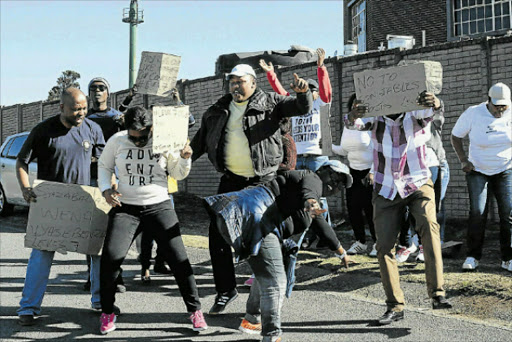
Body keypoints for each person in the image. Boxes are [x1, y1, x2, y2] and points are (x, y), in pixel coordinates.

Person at [190, 64, 312, 315]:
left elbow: (301, 107)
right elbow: (199, 143)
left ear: (253, 83)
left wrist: (303, 93)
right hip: (231, 181)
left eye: (240, 81)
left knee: (264, 237)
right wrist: (179, 160)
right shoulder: (217, 111)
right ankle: (226, 290)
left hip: (263, 182)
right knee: (218, 236)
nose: (235, 86)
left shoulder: (271, 103)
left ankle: (263, 297)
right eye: (232, 82)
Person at [203, 160, 352, 342]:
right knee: (275, 281)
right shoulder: (311, 177)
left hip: (248, 217)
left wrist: (341, 251)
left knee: (265, 272)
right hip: (259, 220)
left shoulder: (310, 195)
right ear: (323, 171)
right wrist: (311, 201)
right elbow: (309, 193)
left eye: (341, 184)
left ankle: (252, 320)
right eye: (336, 178)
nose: (336, 185)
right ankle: (271, 335)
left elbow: (321, 224)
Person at [345, 90, 452, 325]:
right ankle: (395, 305)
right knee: (384, 246)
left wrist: (436, 102)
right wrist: (353, 114)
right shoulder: (375, 118)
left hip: (417, 181)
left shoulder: (415, 114)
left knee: (428, 227)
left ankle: (437, 293)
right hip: (386, 187)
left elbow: (433, 112)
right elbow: (354, 124)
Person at [97, 106, 207, 334]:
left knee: (179, 260)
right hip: (125, 207)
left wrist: (185, 158)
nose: (138, 142)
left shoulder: (164, 140)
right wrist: (106, 189)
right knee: (110, 258)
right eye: (133, 137)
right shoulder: (117, 140)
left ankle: (195, 311)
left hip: (159, 206)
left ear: (151, 128)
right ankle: (107, 311)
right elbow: (104, 166)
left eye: (143, 137)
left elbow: (177, 174)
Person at [15, 88, 105, 326]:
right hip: (51, 205)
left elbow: (105, 163)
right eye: (76, 109)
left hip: (84, 201)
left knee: (97, 252)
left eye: (84, 108)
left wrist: (107, 189)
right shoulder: (44, 130)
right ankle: (28, 307)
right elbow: (22, 161)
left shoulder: (92, 129)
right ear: (62, 108)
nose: (81, 113)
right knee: (41, 256)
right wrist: (25, 188)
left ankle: (100, 301)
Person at [260, 48, 333, 248]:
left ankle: (325, 235)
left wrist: (320, 67)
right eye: (306, 90)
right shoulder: (296, 106)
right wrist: (271, 74)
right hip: (297, 157)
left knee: (319, 197)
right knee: (301, 198)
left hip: (316, 155)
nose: (309, 92)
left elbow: (326, 90)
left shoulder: (321, 104)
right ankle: (309, 233)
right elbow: (281, 93)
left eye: (312, 89)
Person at [451, 82, 512, 272]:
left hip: (506, 169)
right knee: (477, 212)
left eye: (504, 106)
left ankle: (508, 258)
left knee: (508, 214)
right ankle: (473, 256)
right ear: (489, 101)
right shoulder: (473, 113)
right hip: (478, 170)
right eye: (496, 106)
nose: (500, 110)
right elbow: (455, 136)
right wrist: (463, 160)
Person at [85, 77, 126, 295]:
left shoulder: (117, 117)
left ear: (108, 93)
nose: (97, 92)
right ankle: (91, 277)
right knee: (91, 231)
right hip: (90, 179)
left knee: (114, 231)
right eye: (93, 89)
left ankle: (115, 277)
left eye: (102, 88)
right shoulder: (84, 117)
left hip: (114, 179)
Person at [332, 94, 376, 256]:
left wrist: (372, 172)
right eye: (353, 105)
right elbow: (345, 150)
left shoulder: (371, 122)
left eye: (360, 105)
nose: (356, 108)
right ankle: (361, 242)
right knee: (354, 209)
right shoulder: (348, 125)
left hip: (370, 173)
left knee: (371, 210)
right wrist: (330, 147)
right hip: (353, 172)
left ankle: (378, 242)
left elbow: (378, 148)